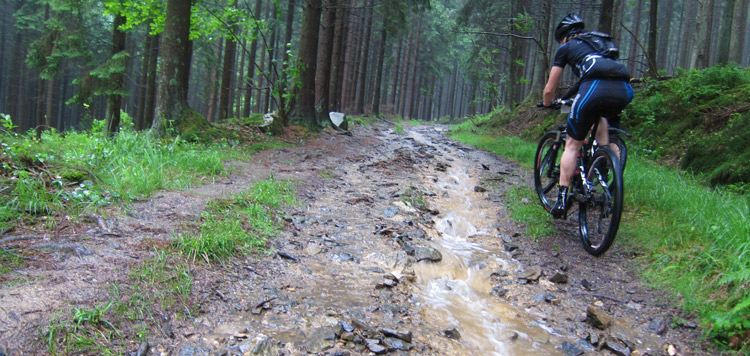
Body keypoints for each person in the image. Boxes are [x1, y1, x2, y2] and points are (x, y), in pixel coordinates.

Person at [540, 13, 634, 218]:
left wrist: (547, 103)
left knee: (573, 144)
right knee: (606, 132)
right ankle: (609, 181)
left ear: (564, 37)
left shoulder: (566, 47)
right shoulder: (601, 42)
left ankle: (562, 199)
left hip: (594, 88)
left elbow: (549, 89)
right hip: (624, 89)